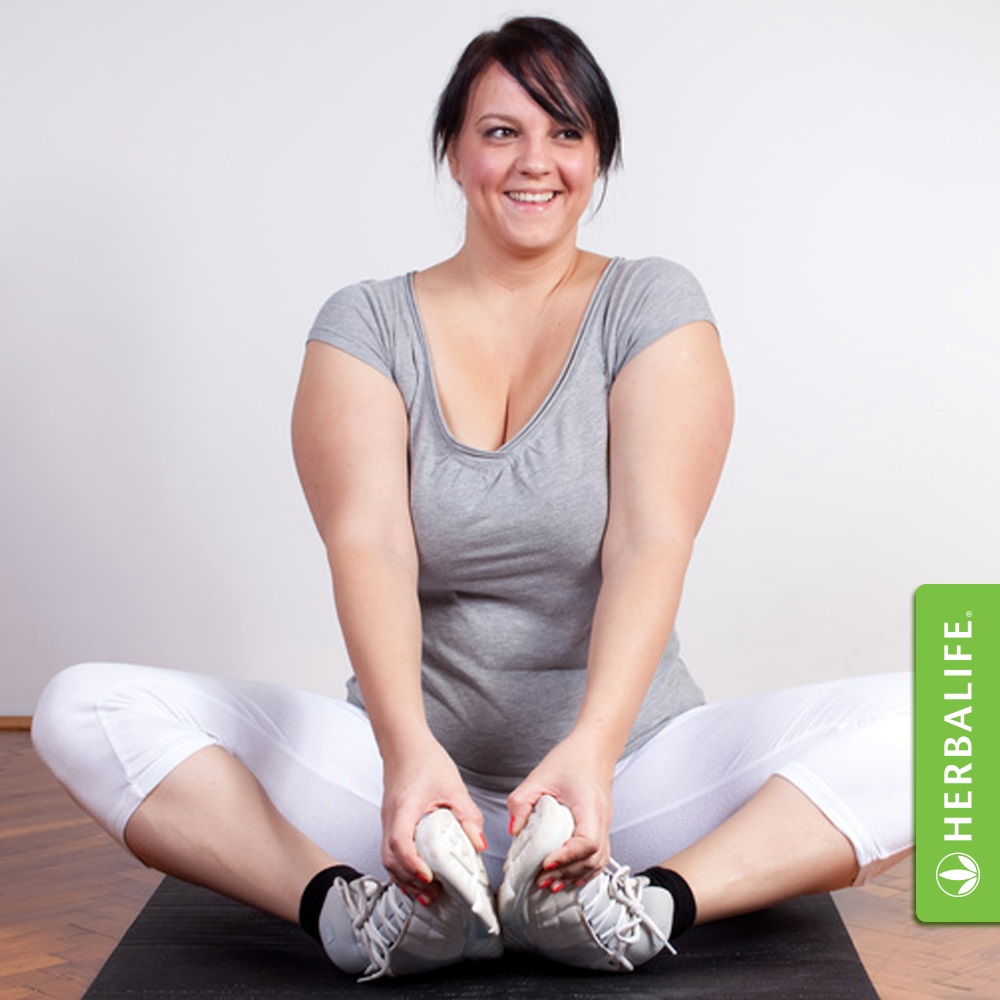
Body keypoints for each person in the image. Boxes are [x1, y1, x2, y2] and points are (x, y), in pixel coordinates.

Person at [31, 15, 911, 983]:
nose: (536, 161)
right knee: (80, 707)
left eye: (566, 132)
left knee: (964, 719)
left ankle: (636, 906)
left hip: (626, 778)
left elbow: (650, 541)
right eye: (501, 132)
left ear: (597, 157)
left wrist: (590, 757)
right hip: (411, 788)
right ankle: (354, 913)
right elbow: (369, 546)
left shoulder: (651, 305)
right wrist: (407, 757)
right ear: (454, 150)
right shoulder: (366, 324)